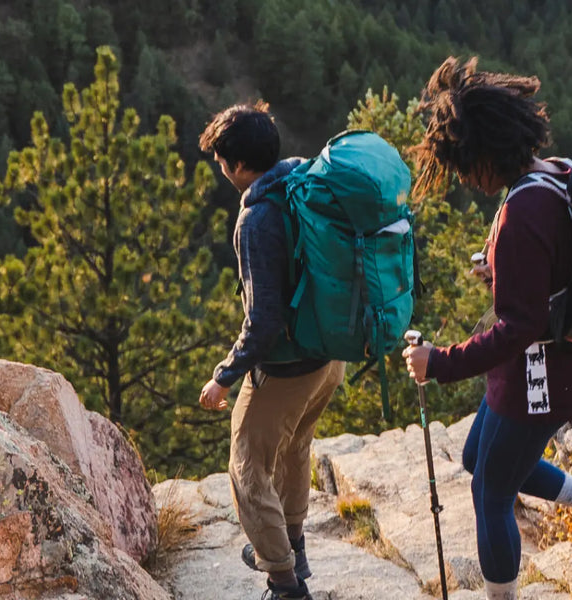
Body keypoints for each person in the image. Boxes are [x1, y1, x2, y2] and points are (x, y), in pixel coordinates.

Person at [400, 57, 572, 600]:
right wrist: (501, 268)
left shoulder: (521, 211)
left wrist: (439, 362)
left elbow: (520, 327)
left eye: (464, 166)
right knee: (475, 459)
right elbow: (554, 264)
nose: (465, 179)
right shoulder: (553, 171)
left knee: (490, 493)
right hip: (550, 367)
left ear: (484, 153)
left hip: (540, 377)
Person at [195, 102, 340, 600]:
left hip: (288, 366)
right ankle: (292, 546)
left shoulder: (256, 219)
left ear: (237, 165)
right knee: (296, 447)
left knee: (246, 467)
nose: (220, 169)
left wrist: (224, 375)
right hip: (329, 357)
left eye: (220, 161)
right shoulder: (300, 180)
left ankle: (283, 582)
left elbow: (262, 323)